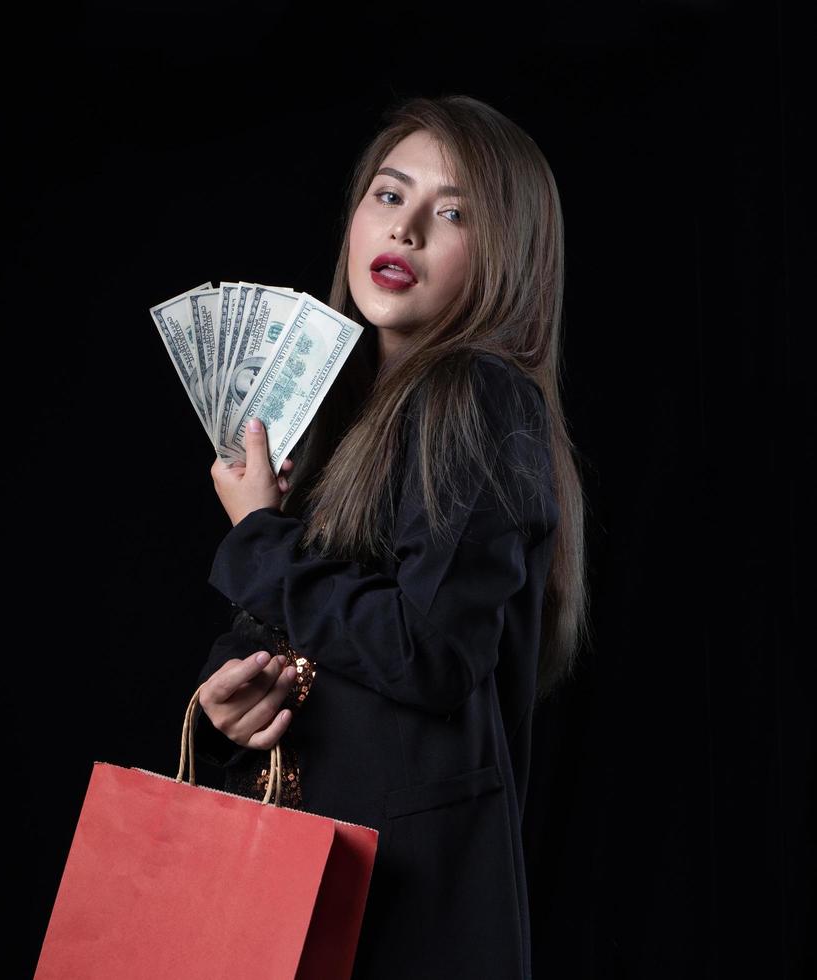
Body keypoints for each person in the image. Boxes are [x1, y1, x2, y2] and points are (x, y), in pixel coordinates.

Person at [189, 95, 591, 980]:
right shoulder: (341, 416)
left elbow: (427, 649)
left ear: (507, 256)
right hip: (308, 882)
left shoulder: (478, 398)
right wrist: (230, 708)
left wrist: (258, 535)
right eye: (387, 194)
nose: (403, 229)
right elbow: (323, 637)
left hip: (403, 908)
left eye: (451, 213)